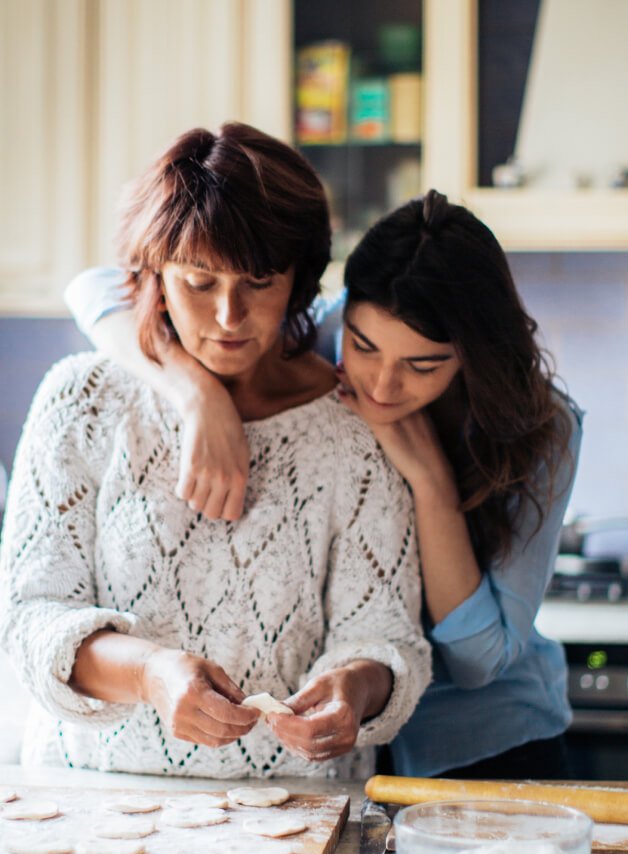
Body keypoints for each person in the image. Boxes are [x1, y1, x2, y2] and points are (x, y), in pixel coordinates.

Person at [65, 189, 582, 782]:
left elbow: (478, 661)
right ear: (344, 311)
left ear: (471, 356)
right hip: (346, 753)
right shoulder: (314, 335)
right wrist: (197, 396)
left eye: (424, 365)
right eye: (363, 347)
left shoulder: (544, 428)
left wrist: (430, 483)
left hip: (483, 742)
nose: (383, 385)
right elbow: (97, 289)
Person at [0, 124, 430, 779]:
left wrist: (354, 687)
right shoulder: (82, 401)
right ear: (155, 276)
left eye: (259, 281)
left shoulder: (353, 428)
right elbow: (28, 620)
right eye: (199, 282)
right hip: (91, 807)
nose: (230, 316)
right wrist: (149, 672)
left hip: (298, 810)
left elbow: (386, 632)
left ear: (300, 279)